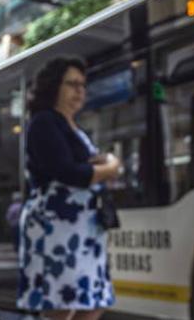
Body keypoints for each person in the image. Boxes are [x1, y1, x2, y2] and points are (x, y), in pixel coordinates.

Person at [17, 57, 123, 320]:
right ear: (54, 87)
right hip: (56, 226)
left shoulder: (73, 126)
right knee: (61, 303)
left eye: (82, 85)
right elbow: (67, 172)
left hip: (84, 228)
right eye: (72, 84)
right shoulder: (44, 122)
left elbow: (79, 166)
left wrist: (100, 164)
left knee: (94, 300)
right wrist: (109, 167)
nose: (79, 91)